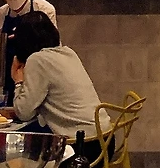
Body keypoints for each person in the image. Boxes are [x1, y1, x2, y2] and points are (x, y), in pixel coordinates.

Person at [8, 12, 103, 149]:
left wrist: (18, 81)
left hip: (83, 146)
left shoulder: (37, 60)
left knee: (19, 152)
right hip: (105, 139)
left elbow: (24, 113)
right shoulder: (68, 52)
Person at [0, 0, 57, 102]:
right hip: (12, 79)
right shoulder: (0, 15)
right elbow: (0, 48)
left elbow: (53, 50)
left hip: (40, 78)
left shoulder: (44, 10)